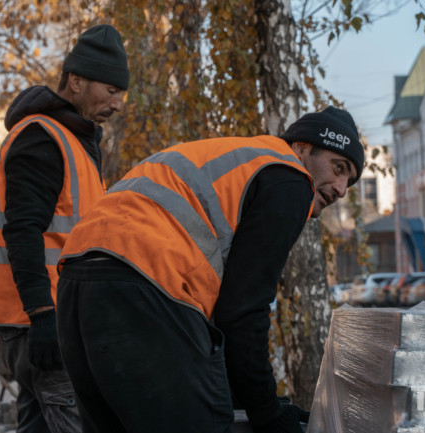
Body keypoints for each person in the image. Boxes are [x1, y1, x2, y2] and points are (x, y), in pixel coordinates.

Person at [56, 106, 365, 432]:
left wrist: (242, 396)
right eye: (338, 167)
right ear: (302, 147)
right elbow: (244, 311)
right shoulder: (289, 177)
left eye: (350, 181)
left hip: (77, 282)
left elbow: (225, 312)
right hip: (144, 284)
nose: (341, 189)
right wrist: (268, 413)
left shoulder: (239, 160)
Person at [0, 24, 129, 433]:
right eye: (112, 90)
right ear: (76, 82)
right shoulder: (43, 139)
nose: (118, 104)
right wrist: (43, 316)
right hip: (42, 327)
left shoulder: (74, 141)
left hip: (49, 325)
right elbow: (23, 231)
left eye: (122, 93)